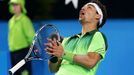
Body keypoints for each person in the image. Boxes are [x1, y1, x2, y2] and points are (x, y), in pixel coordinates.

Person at [45, 0, 108, 75]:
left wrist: (63, 54)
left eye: (89, 7)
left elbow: (90, 61)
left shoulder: (98, 36)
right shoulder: (67, 40)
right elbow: (53, 69)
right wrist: (54, 54)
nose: (83, 9)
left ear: (98, 16)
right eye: (83, 7)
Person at [8, 0, 35, 75]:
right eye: (13, 4)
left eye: (16, 4)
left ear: (21, 6)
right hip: (13, 52)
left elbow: (31, 37)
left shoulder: (25, 20)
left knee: (25, 73)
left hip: (23, 52)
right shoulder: (10, 21)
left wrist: (30, 51)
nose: (14, 7)